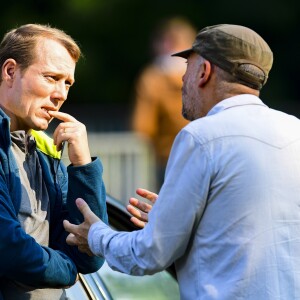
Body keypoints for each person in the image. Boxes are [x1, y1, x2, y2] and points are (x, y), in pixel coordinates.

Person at [64, 24, 300, 299]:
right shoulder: (295, 130)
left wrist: (96, 236)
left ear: (204, 72)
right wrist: (177, 224)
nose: (182, 80)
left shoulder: (201, 137)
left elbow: (149, 254)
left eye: (187, 66)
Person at [0, 24, 108, 299]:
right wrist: (69, 271)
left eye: (67, 83)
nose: (61, 95)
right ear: (10, 72)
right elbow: (9, 249)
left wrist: (83, 165)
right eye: (51, 77)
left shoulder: (47, 150)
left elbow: (90, 255)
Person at [131, 17, 196, 188]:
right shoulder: (205, 72)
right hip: (209, 154)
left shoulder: (152, 77)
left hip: (169, 158)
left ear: (162, 44)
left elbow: (143, 126)